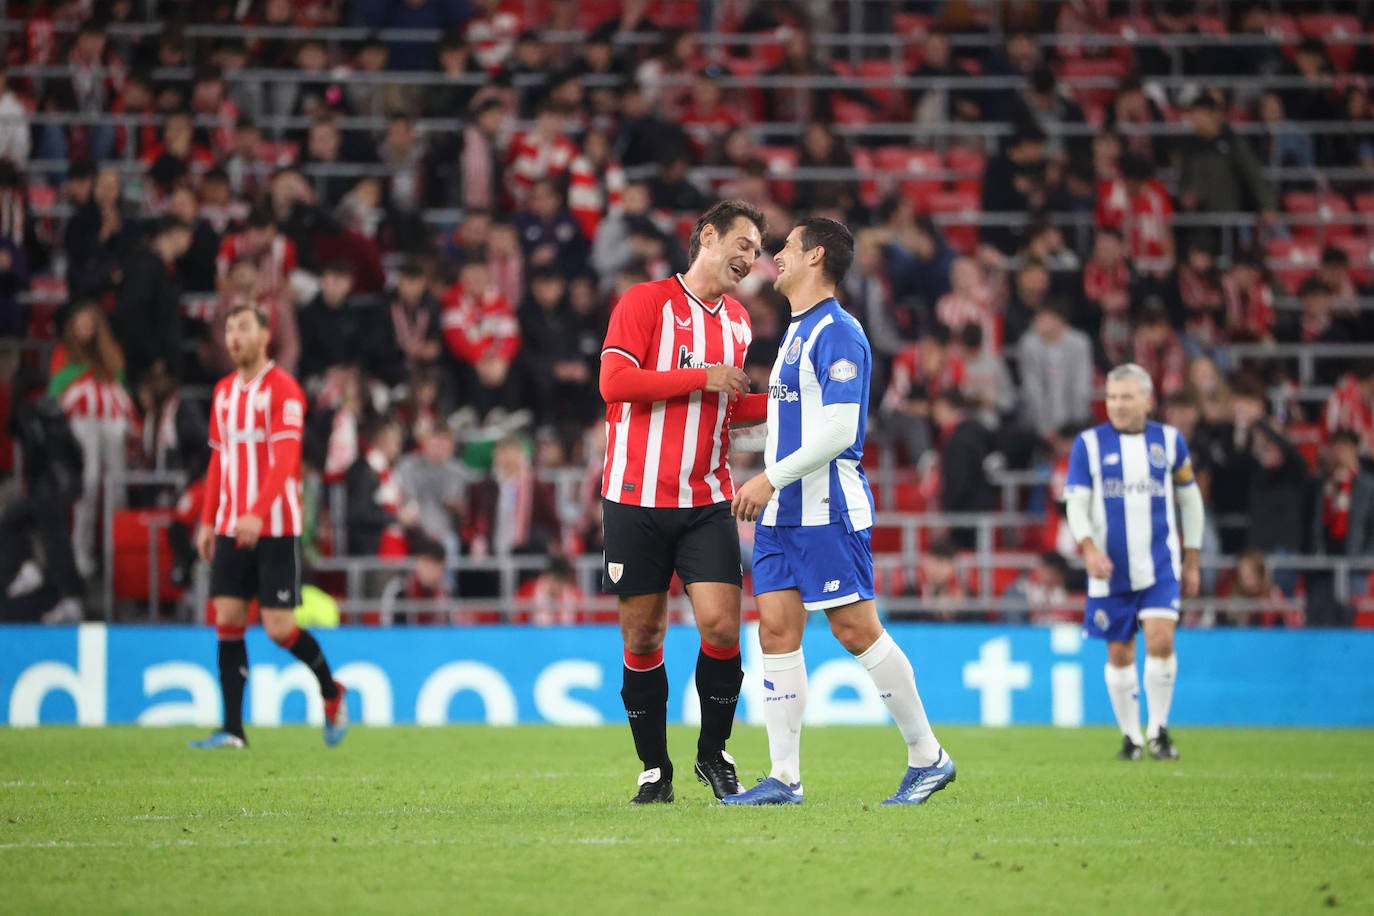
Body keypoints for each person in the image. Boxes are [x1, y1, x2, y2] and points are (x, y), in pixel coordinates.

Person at [726, 218, 954, 806]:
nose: (775, 256)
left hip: (826, 508)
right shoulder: (797, 332)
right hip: (782, 514)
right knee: (775, 632)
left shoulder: (838, 332)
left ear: (816, 256)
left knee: (855, 629)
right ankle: (783, 777)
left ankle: (928, 757)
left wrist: (768, 477)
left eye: (787, 247)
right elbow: (791, 425)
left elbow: (842, 428)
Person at [598, 199, 766, 804]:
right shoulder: (646, 302)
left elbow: (728, 406)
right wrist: (703, 376)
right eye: (742, 244)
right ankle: (654, 770)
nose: (750, 257)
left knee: (723, 625)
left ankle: (713, 755)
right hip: (634, 499)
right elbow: (613, 384)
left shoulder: (740, 324)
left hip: (707, 498)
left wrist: (787, 404)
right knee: (643, 637)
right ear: (708, 237)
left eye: (757, 250)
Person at [191, 304, 348, 750]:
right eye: (228, 329)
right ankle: (233, 730)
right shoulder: (222, 392)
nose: (233, 337)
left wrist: (257, 512)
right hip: (228, 525)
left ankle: (332, 692)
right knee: (228, 618)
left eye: (243, 328)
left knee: (279, 627)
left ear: (265, 334)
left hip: (275, 527)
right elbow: (219, 460)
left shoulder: (283, 390)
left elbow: (285, 459)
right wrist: (207, 520)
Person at [1064, 363, 1205, 763]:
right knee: (1120, 652)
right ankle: (1131, 738)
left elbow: (1190, 500)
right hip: (1109, 567)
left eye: (1126, 396)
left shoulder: (1170, 441)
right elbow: (1075, 502)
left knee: (1161, 638)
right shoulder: (1088, 444)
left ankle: (1158, 731)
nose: (1118, 405)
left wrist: (1191, 559)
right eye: (1112, 397)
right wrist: (1089, 548)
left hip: (1160, 563)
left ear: (1147, 399)